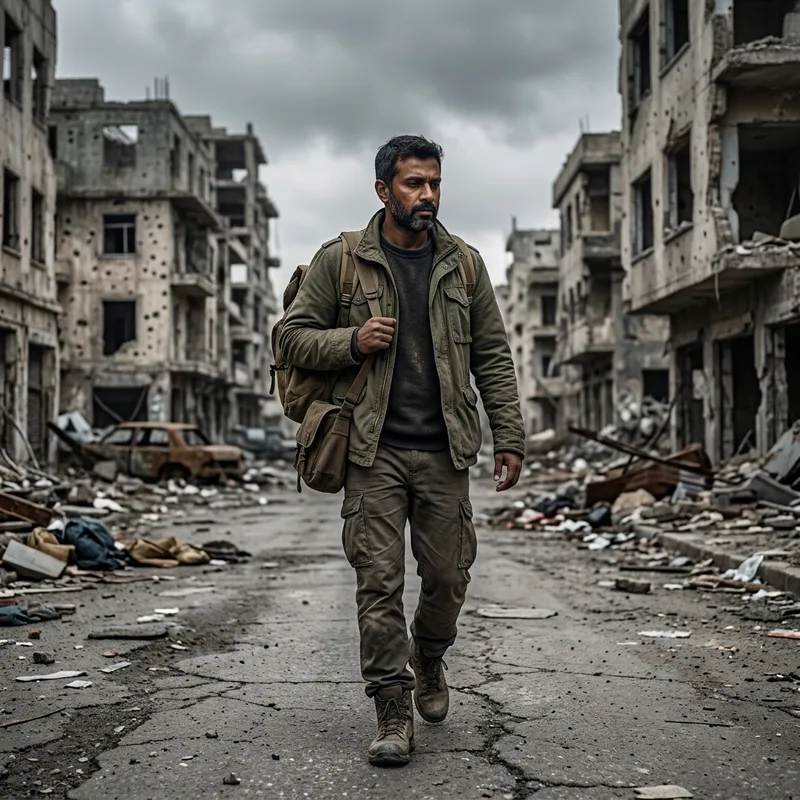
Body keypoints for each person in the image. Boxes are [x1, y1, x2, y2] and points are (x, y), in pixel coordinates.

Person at [279, 135, 524, 767]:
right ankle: (392, 708)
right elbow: (292, 339)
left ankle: (430, 656)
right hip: (372, 449)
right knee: (379, 583)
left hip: (445, 450)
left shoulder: (464, 264)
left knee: (447, 577)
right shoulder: (342, 261)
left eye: (435, 183)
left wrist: (509, 437)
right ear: (384, 189)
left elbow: (493, 356)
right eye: (414, 184)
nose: (428, 196)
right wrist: (353, 341)